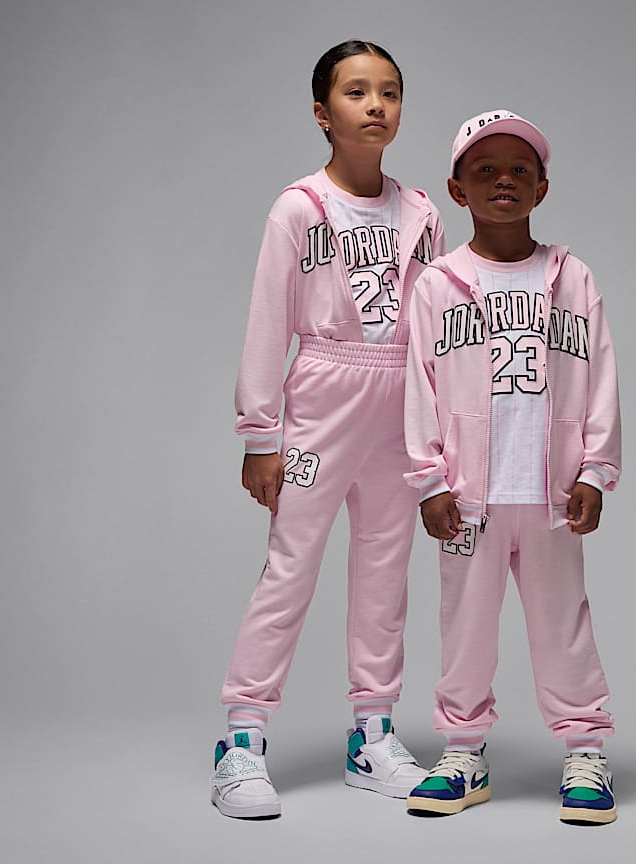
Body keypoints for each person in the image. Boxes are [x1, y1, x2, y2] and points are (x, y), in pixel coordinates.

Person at [211, 39, 445, 819]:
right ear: (322, 112)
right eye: (356, 91)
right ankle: (242, 740)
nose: (376, 104)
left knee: (385, 568)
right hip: (323, 395)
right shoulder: (298, 208)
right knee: (291, 565)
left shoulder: (422, 214)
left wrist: (439, 433)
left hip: (399, 404)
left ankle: (372, 735)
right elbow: (266, 319)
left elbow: (437, 332)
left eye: (390, 91)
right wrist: (260, 434)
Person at [403, 110, 621, 824]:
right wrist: (430, 481)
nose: (504, 180)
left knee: (564, 626)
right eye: (486, 169)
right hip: (470, 498)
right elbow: (419, 387)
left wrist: (595, 471)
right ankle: (463, 753)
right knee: (465, 625)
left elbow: (601, 378)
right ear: (457, 189)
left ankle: (585, 751)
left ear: (542, 187)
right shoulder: (438, 284)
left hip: (553, 496)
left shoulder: (572, 278)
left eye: (520, 170)